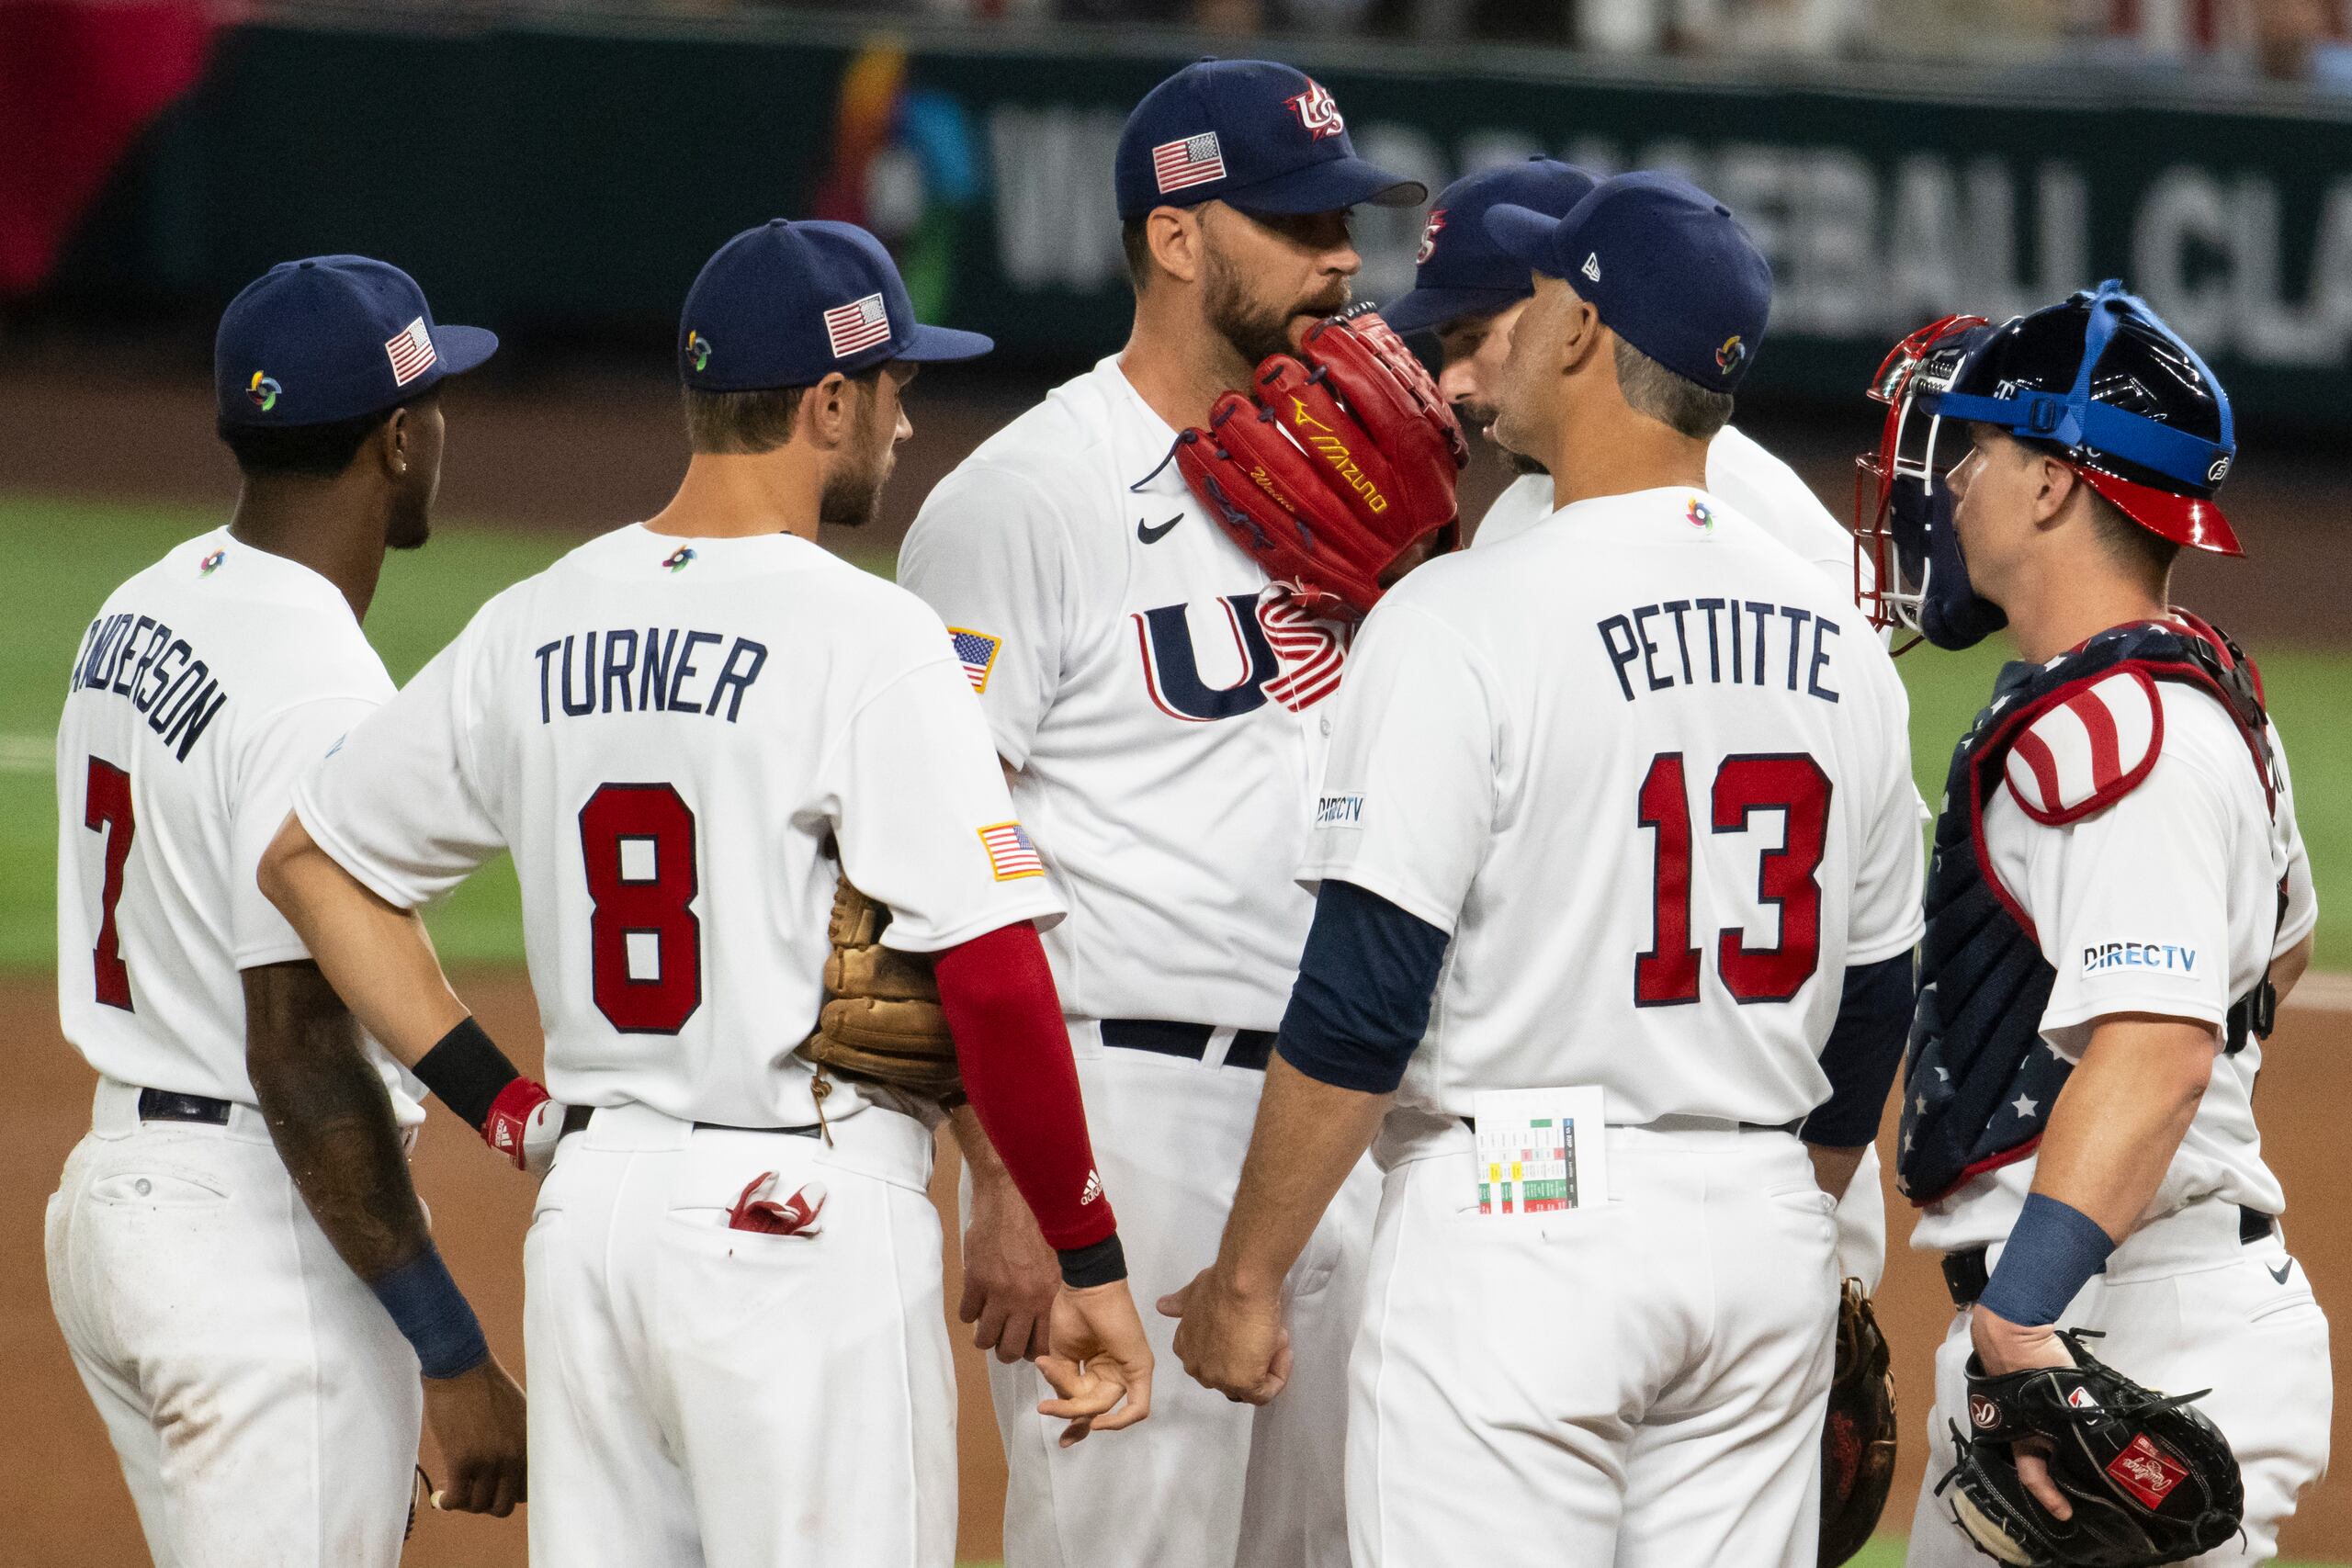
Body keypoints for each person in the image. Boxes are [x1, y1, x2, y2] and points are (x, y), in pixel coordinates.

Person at [256, 219, 1154, 1568]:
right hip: (798, 1231)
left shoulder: (541, 613)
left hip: (593, 1221)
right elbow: (992, 972)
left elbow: (313, 862)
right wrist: (1089, 1254)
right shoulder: (870, 636)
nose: (908, 423)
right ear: (828, 399)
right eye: (896, 386)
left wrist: (507, 1106)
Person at [1161, 172, 1924, 1566]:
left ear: (1581, 330)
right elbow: (1877, 997)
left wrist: (1248, 1272)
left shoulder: (1464, 615)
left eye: (1534, 307)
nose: (1485, 348)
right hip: (1759, 1234)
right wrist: (1779, 1205)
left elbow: (1362, 999)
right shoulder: (1844, 646)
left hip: (1525, 1226)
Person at [897, 57, 1422, 1568]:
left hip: (1342, 1127)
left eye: (1348, 222)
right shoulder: (1029, 499)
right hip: (1132, 1125)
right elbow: (924, 868)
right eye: (1301, 223)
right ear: (1178, 235)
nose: (1343, 259)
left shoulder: (1372, 491)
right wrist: (1006, 1178)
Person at [46, 254, 526, 1565]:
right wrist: (451, 1348)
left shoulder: (140, 600)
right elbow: (303, 1047)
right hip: (253, 1239)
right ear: (398, 435)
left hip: (117, 1207)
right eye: (436, 403)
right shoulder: (318, 684)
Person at [1860, 283, 2332, 1566]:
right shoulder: (2190, 678)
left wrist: (2020, 1317)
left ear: (2057, 484)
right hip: (2108, 1301)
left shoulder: (2127, 732)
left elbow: (2161, 1046)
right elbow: (2274, 952)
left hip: (2109, 1323)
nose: (1951, 483)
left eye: (1983, 448)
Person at [1387, 154, 1894, 1289]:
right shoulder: (1707, 519)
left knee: (1497, 1403)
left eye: (1474, 337)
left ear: (1572, 316)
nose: (1458, 382)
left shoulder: (1645, 525)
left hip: (1613, 1149)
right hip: (1734, 1166)